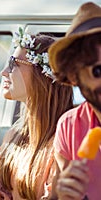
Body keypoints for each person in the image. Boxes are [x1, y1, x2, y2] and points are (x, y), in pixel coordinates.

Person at [0, 29, 74, 199]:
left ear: (42, 75)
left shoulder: (64, 143)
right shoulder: (14, 135)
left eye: (13, 64)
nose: (3, 72)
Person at [47, 2, 101, 200]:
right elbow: (56, 196)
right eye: (98, 71)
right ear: (72, 77)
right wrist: (64, 195)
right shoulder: (70, 126)